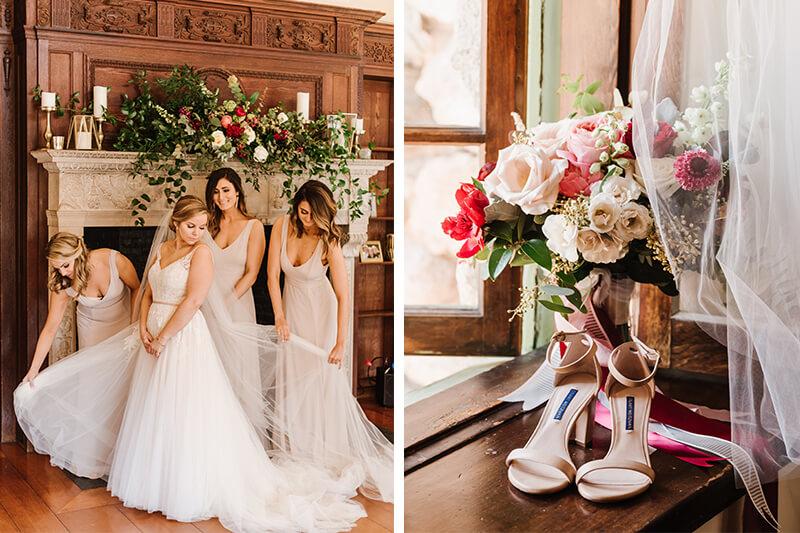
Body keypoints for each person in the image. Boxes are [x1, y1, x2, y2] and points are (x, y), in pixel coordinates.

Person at [15, 196, 367, 532]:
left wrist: (164, 336)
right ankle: (156, 482)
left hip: (182, 339)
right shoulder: (164, 251)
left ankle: (187, 487)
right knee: (154, 409)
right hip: (151, 336)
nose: (198, 233)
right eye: (192, 227)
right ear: (177, 225)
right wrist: (142, 327)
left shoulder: (201, 255)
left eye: (201, 227)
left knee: (183, 409)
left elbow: (194, 299)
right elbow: (148, 290)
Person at [267, 180, 393, 501]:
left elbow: (342, 294)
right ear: (296, 205)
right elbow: (271, 277)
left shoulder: (328, 241)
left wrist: (340, 342)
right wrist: (279, 316)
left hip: (320, 316)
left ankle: (320, 448)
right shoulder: (282, 226)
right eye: (303, 211)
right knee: (291, 380)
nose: (306, 218)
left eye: (312, 214)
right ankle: (293, 449)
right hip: (291, 313)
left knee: (317, 382)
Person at [22, 232, 139, 383]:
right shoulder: (62, 283)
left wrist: (133, 326)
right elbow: (50, 328)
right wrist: (33, 369)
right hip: (92, 332)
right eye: (57, 269)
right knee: (95, 381)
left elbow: (137, 288)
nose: (63, 272)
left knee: (125, 380)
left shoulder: (111, 259)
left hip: (125, 323)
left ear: (78, 254)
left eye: (65, 265)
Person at [204, 168, 265, 323]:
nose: (221, 197)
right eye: (216, 192)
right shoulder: (206, 225)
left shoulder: (253, 226)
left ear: (237, 191)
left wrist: (224, 306)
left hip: (237, 304)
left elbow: (251, 274)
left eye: (226, 190)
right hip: (207, 302)